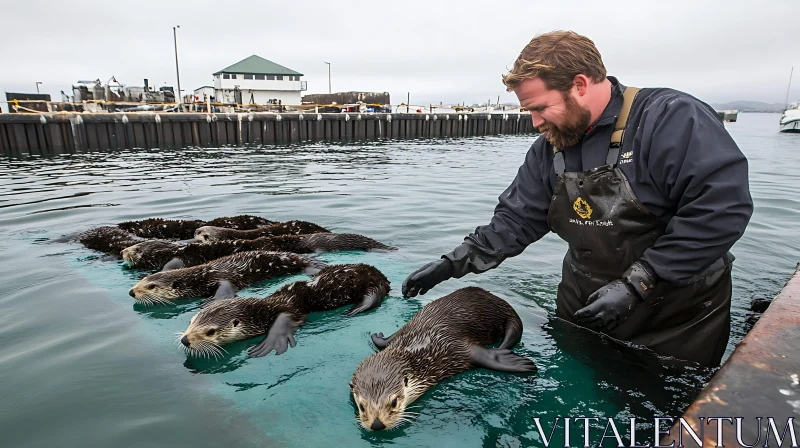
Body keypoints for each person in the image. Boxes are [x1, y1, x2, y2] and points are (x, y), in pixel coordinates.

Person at [401, 31, 753, 367]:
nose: (535, 122)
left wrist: (641, 280)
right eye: (529, 111)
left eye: (540, 108)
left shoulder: (670, 118)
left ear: (580, 85)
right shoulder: (549, 148)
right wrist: (453, 263)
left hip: (675, 315)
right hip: (584, 302)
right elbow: (516, 220)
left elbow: (721, 209)